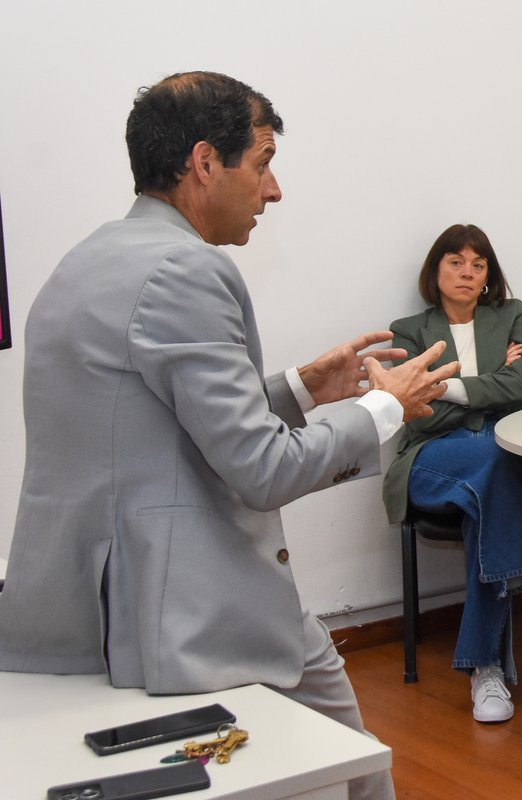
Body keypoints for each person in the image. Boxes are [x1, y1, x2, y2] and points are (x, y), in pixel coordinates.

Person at [0, 72, 459, 800]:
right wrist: (384, 408)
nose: (273, 191)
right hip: (179, 602)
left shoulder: (87, 258)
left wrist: (302, 388)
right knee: (355, 763)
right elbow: (262, 470)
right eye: (264, 163)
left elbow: (152, 425)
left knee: (354, 748)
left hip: (90, 597)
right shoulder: (186, 269)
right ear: (205, 161)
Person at [382, 224, 522, 724]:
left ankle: (485, 669)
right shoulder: (408, 330)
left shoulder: (512, 314)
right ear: (436, 271)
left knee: (488, 488)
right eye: (456, 262)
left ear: (488, 276)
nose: (468, 272)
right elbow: (418, 411)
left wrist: (448, 385)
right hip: (433, 456)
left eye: (478, 265)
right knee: (493, 467)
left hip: (507, 449)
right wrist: (490, 383)